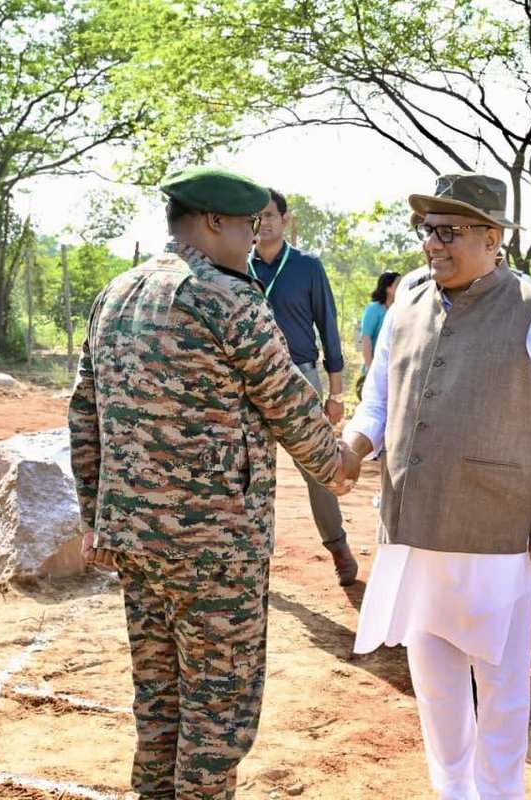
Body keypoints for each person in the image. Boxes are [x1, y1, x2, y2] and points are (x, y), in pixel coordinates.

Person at [70, 165, 353, 799]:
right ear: (213, 222)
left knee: (161, 703)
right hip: (216, 547)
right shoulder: (228, 298)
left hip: (133, 540)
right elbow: (286, 402)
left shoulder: (115, 292)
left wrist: (95, 517)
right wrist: (336, 465)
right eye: (248, 225)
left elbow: (84, 415)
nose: (255, 239)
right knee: (217, 713)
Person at [342, 171, 531, 799]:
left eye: (449, 231)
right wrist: (351, 447)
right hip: (415, 522)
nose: (434, 244)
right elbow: (378, 401)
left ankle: (499, 793)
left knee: (502, 679)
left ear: (492, 237)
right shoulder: (406, 306)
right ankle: (452, 790)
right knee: (434, 674)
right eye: (429, 230)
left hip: (496, 528)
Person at [250, 188, 357, 585]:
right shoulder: (236, 267)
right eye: (255, 217)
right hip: (249, 382)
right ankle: (250, 556)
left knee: (317, 465)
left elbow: (328, 328)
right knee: (248, 470)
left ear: (284, 219)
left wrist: (336, 392)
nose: (263, 223)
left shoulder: (307, 267)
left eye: (270, 215)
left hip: (300, 377)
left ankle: (338, 547)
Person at [357, 270, 400, 398]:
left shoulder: (398, 308)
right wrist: (371, 369)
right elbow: (366, 339)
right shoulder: (374, 309)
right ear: (388, 288)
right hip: (377, 368)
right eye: (398, 284)